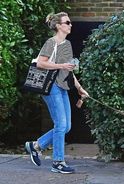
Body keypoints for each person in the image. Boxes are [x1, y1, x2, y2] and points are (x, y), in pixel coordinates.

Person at [25, 12, 89, 174]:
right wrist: (60, 66)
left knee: (66, 126)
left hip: (62, 86)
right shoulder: (50, 42)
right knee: (60, 124)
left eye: (70, 22)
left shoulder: (67, 44)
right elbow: (41, 63)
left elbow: (68, 70)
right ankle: (58, 162)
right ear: (59, 26)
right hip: (50, 86)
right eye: (67, 22)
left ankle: (36, 146)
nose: (70, 25)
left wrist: (80, 88)